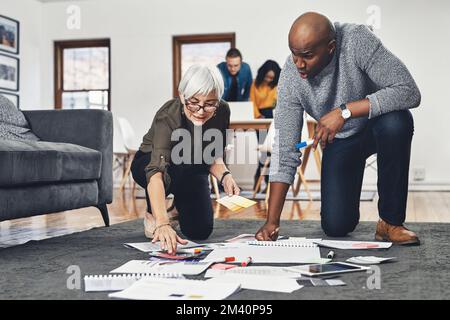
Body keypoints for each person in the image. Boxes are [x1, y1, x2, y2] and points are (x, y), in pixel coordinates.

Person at [255, 12, 421, 245]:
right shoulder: (291, 77)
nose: (299, 64)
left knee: (397, 122)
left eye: (307, 56)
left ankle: (390, 222)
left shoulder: (357, 40)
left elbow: (408, 90)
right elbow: (285, 149)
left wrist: (345, 111)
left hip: (376, 125)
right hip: (341, 140)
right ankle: (348, 216)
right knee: (336, 226)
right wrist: (272, 221)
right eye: (294, 54)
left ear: (331, 47)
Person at [131, 64, 240, 254]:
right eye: (194, 102)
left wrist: (225, 176)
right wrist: (162, 224)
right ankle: (153, 212)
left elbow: (211, 154)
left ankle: (175, 209)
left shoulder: (222, 110)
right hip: (150, 163)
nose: (200, 110)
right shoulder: (168, 115)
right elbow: (155, 172)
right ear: (182, 95)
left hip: (192, 164)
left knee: (200, 230)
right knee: (176, 164)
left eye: (209, 103)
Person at [250, 60, 281, 190]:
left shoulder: (277, 85)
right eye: (267, 76)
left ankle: (267, 182)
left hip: (273, 118)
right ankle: (261, 180)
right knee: (265, 151)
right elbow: (252, 103)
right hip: (260, 119)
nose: (269, 79)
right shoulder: (255, 85)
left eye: (272, 78)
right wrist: (258, 115)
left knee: (273, 152)